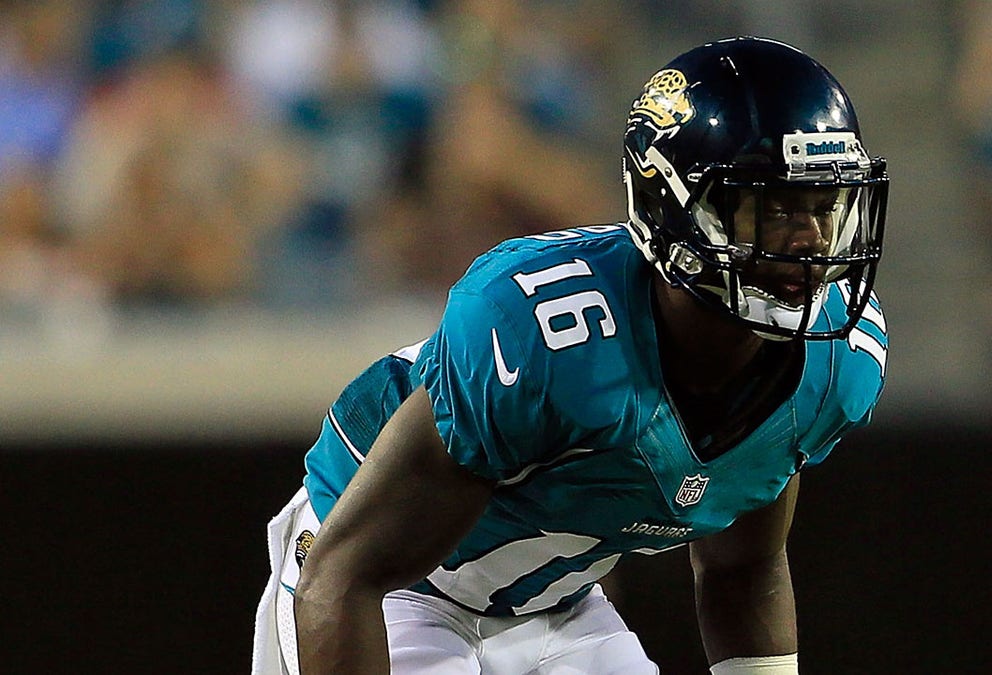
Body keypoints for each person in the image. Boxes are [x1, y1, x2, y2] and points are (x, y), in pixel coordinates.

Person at [251, 35, 890, 675]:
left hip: (555, 607)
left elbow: (743, 563)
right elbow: (344, 577)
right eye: (772, 208)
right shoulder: (544, 335)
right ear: (670, 206)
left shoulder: (833, 359)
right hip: (386, 587)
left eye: (823, 205)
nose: (811, 240)